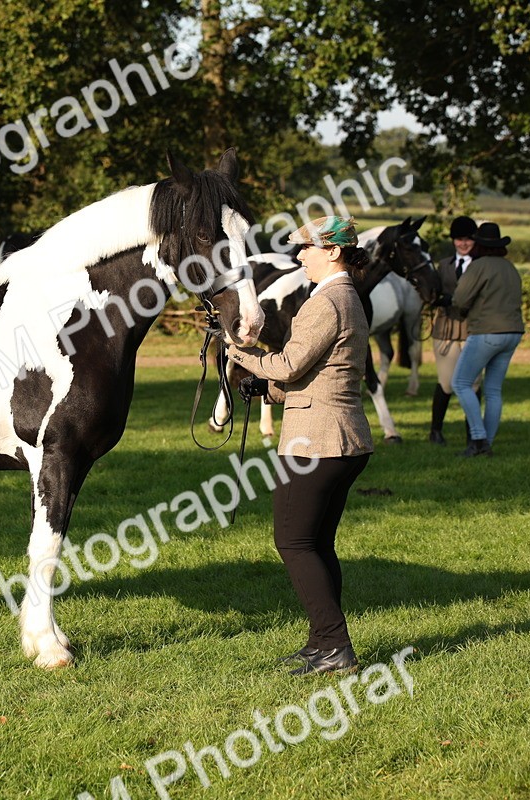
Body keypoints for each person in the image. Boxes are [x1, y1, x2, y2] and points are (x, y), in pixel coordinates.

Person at [230, 216, 374, 676]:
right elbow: (316, 375)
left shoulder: (327, 300)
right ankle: (321, 643)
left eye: (306, 248)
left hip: (318, 441)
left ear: (332, 251)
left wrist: (241, 351)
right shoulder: (345, 297)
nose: (299, 257)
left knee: (293, 542)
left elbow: (291, 364)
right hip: (342, 437)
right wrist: (265, 389)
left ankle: (335, 645)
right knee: (316, 543)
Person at [440, 221, 524, 457]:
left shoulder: (478, 267)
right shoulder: (510, 268)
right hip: (514, 332)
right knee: (494, 390)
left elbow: (460, 299)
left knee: (460, 383)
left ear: (480, 244)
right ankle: (487, 443)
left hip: (487, 332)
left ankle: (478, 440)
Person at [428, 216, 480, 445]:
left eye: (468, 239)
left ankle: (474, 433)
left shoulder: (481, 265)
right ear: (453, 241)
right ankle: (436, 430)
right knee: (447, 382)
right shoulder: (444, 265)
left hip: (473, 330)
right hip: (446, 329)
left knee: (474, 383)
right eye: (460, 239)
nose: (464, 243)